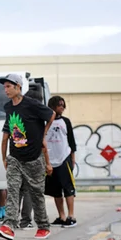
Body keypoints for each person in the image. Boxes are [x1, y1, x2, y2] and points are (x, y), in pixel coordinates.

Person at [0, 73, 55, 240]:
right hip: (15, 157)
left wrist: (44, 135)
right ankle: (9, 226)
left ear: (18, 87)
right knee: (12, 190)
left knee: (36, 194)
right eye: (4, 87)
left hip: (34, 158)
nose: (5, 90)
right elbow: (7, 131)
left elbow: (51, 114)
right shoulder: (8, 107)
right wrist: (4, 156)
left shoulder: (32, 105)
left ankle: (43, 226)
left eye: (8, 86)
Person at [45, 95, 78, 228]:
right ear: (52, 106)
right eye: (60, 105)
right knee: (55, 191)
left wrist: (73, 159)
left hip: (64, 159)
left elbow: (71, 141)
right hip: (50, 161)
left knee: (68, 188)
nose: (62, 107)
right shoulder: (45, 121)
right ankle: (62, 216)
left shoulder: (66, 121)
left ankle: (71, 216)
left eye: (63, 105)